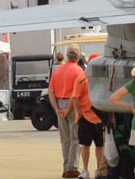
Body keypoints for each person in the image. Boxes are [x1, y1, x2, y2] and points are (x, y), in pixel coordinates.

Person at [51, 45, 87, 178]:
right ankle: (72, 167)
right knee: (75, 137)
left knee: (65, 138)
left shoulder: (58, 71)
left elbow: (51, 91)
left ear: (67, 56)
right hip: (73, 104)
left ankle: (66, 166)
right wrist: (68, 109)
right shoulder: (79, 71)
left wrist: (57, 109)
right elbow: (75, 93)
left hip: (59, 102)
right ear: (78, 57)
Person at [70, 67, 106, 179]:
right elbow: (75, 97)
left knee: (97, 145)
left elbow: (75, 97)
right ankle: (86, 170)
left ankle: (98, 169)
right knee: (90, 145)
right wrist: (79, 113)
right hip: (87, 116)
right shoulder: (83, 78)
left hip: (99, 117)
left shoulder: (100, 78)